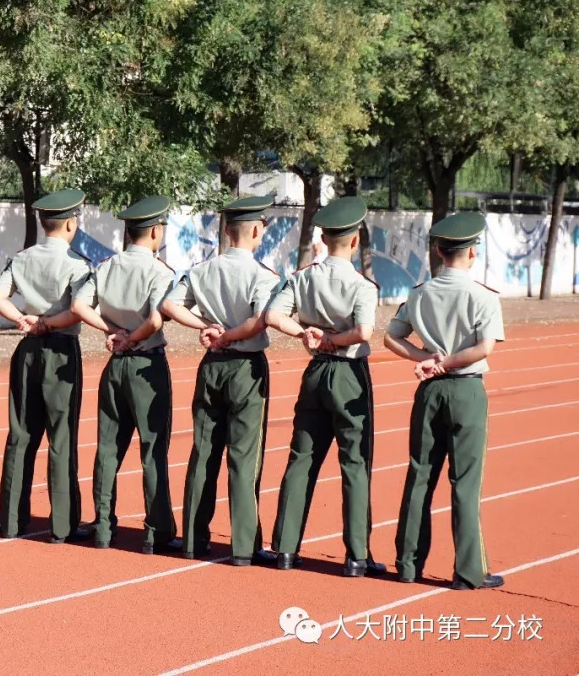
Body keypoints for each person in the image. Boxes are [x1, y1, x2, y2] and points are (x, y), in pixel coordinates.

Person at [384, 211, 505, 590]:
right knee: (465, 483)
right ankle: (468, 572)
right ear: (473, 253)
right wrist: (447, 363)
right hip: (466, 390)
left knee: (420, 475)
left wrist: (427, 361)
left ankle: (407, 564)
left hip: (430, 392)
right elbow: (484, 347)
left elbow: (391, 337)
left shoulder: (420, 293)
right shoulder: (482, 296)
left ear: (437, 251)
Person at [265, 196, 384, 577]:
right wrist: (335, 339)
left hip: (315, 372)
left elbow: (272, 315)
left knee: (302, 458)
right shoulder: (361, 285)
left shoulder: (303, 277)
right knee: (354, 462)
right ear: (355, 240)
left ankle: (284, 548)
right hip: (348, 374)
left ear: (325, 238)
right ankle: (356, 556)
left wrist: (306, 333)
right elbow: (364, 332)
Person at [160, 195, 280, 564]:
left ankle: (194, 539)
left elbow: (169, 305)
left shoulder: (202, 270)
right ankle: (244, 546)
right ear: (257, 230)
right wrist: (229, 334)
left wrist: (207, 328)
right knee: (244, 458)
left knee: (204, 453)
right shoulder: (263, 276)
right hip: (245, 367)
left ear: (227, 232)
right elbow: (262, 320)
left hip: (211, 365)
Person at [71, 195, 180, 554]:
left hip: (115, 365)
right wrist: (131, 337)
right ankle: (155, 531)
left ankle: (102, 525)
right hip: (147, 364)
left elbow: (78, 306)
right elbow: (155, 319)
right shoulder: (160, 271)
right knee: (152, 449)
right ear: (155, 232)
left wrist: (111, 333)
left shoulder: (106, 266)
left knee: (107, 448)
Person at [0, 188, 92, 544]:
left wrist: (23, 320)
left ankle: (12, 519)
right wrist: (49, 323)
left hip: (28, 348)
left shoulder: (22, 258)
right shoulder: (78, 264)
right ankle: (62, 524)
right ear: (70, 224)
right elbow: (79, 308)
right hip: (61, 350)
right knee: (61, 436)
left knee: (21, 434)